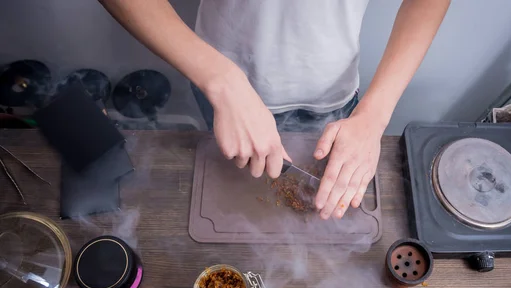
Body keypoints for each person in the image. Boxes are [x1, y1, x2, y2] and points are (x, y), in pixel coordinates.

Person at [100, 0, 449, 220]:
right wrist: (221, 82)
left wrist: (375, 115)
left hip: (334, 97)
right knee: (238, 187)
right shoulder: (222, 86)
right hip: (224, 89)